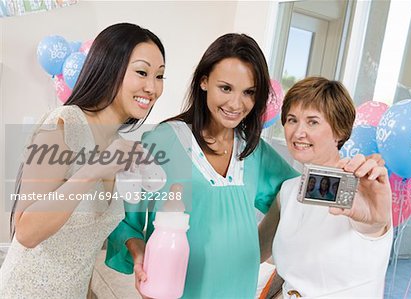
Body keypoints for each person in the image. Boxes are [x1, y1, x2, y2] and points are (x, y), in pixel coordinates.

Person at [105, 33, 298, 298]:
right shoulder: (163, 141)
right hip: (173, 291)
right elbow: (126, 222)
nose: (236, 104)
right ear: (204, 81)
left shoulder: (255, 151)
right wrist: (140, 256)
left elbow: (301, 197)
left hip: (238, 290)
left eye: (249, 92)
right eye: (226, 88)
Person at [0, 23, 166, 298]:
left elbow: (82, 251)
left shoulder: (118, 145)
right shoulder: (65, 123)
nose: (152, 87)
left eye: (160, 76)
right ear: (110, 67)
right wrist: (92, 171)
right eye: (142, 72)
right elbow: (26, 231)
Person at [259, 77, 393, 297]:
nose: (298, 132)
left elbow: (373, 225)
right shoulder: (289, 190)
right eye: (292, 120)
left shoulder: (361, 190)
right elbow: (256, 251)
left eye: (312, 121)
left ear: (339, 131)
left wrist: (377, 222)